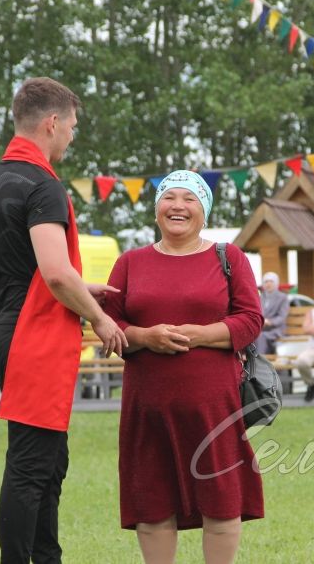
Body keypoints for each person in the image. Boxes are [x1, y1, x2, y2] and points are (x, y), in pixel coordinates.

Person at [0, 76, 127, 563]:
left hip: (2, 327)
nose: (72, 137)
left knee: (48, 460)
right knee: (31, 465)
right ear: (52, 122)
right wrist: (100, 318)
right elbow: (57, 275)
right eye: (73, 127)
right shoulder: (43, 185)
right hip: (31, 335)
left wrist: (85, 289)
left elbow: (28, 268)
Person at [102, 170, 264, 564]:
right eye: (169, 197)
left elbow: (251, 319)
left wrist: (202, 334)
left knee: (221, 499)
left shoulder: (229, 257)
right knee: (153, 500)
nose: (178, 206)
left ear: (204, 211)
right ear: (156, 209)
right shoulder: (130, 262)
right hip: (148, 406)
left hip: (215, 406)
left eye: (189, 198)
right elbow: (109, 323)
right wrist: (145, 337)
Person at [252, 271, 288, 356]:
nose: (268, 284)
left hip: (276, 329)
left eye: (271, 281)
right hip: (261, 328)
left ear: (276, 283)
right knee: (250, 334)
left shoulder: (282, 297)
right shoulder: (260, 297)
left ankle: (259, 361)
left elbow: (282, 316)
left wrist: (270, 322)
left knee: (261, 336)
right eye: (266, 282)